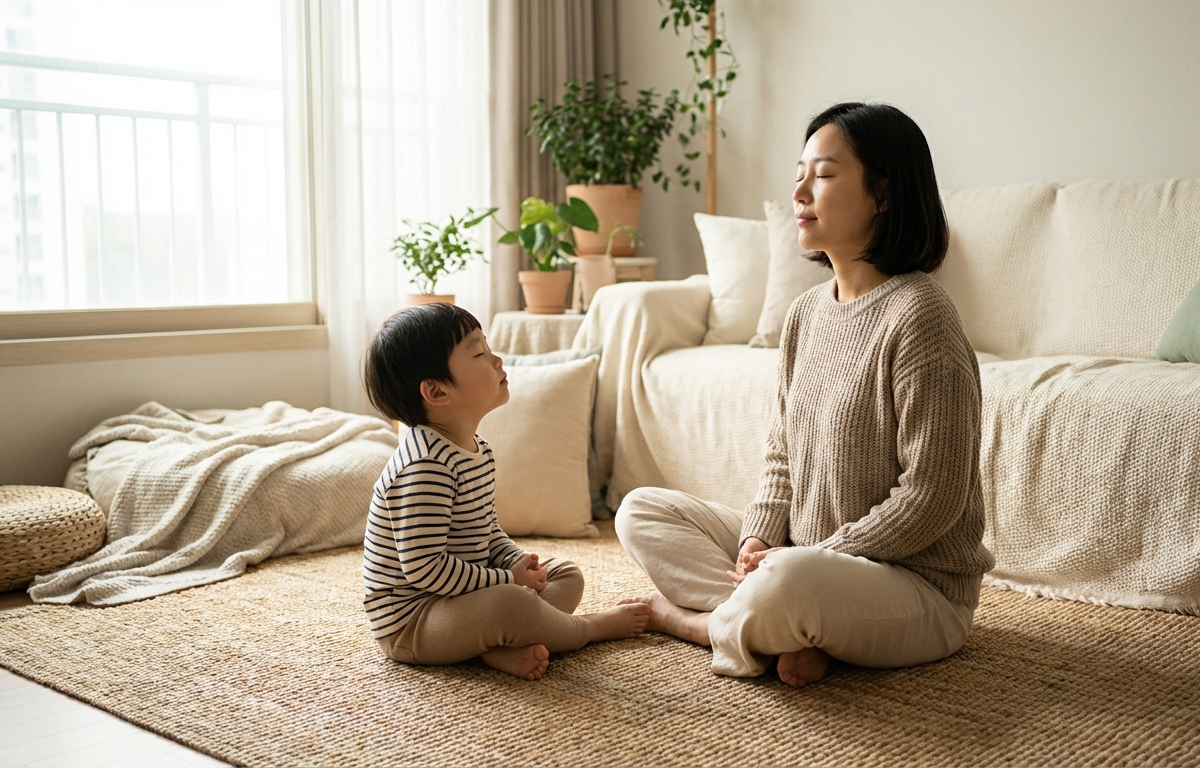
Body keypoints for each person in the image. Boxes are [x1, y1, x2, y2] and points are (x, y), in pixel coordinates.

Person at [616, 102, 994, 687]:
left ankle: (703, 624)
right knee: (641, 511)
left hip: (916, 586)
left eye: (823, 174)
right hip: (808, 556)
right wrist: (758, 539)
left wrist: (815, 558)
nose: (799, 192)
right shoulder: (806, 314)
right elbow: (782, 456)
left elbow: (932, 496)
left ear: (883, 195)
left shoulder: (922, 317)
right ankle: (789, 628)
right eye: (799, 174)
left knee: (791, 581)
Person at [362, 303, 649, 680]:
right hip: (416, 621)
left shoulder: (477, 450)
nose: (497, 360)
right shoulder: (425, 466)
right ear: (436, 391)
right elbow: (426, 570)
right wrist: (508, 580)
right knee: (511, 603)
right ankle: (588, 629)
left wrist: (517, 562)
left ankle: (495, 646)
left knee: (564, 574)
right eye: (479, 353)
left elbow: (486, 530)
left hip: (465, 594)